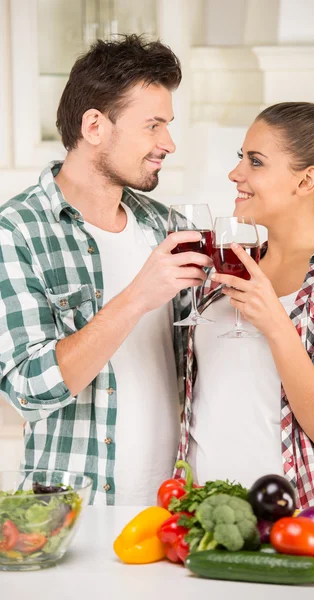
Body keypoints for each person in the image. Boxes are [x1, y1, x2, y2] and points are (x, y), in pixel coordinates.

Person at [0, 35, 212, 505]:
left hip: (172, 511)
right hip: (68, 511)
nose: (168, 143)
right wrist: (138, 296)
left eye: (168, 125)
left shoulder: (167, 226)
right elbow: (29, 389)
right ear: (95, 125)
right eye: (153, 125)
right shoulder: (17, 230)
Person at [177, 102, 314, 509]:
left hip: (292, 522)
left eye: (255, 161)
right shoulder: (221, 267)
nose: (235, 174)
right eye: (240, 158)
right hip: (195, 516)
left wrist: (276, 325)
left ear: (306, 180)